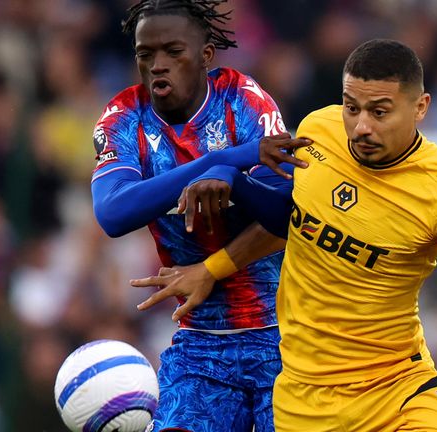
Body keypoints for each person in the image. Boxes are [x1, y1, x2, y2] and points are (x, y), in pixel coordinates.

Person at [135, 39, 437, 431]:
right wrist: (212, 268)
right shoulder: (318, 131)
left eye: (380, 112)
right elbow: (294, 226)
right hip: (303, 402)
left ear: (420, 107)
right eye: (352, 107)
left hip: (398, 391)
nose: (361, 126)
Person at [89, 1, 307, 431]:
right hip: (200, 347)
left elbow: (288, 218)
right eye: (145, 55)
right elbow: (113, 212)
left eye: (173, 52)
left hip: (285, 339)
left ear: (206, 56)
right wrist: (225, 161)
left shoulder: (243, 101)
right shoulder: (124, 117)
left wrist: (234, 182)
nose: (157, 66)